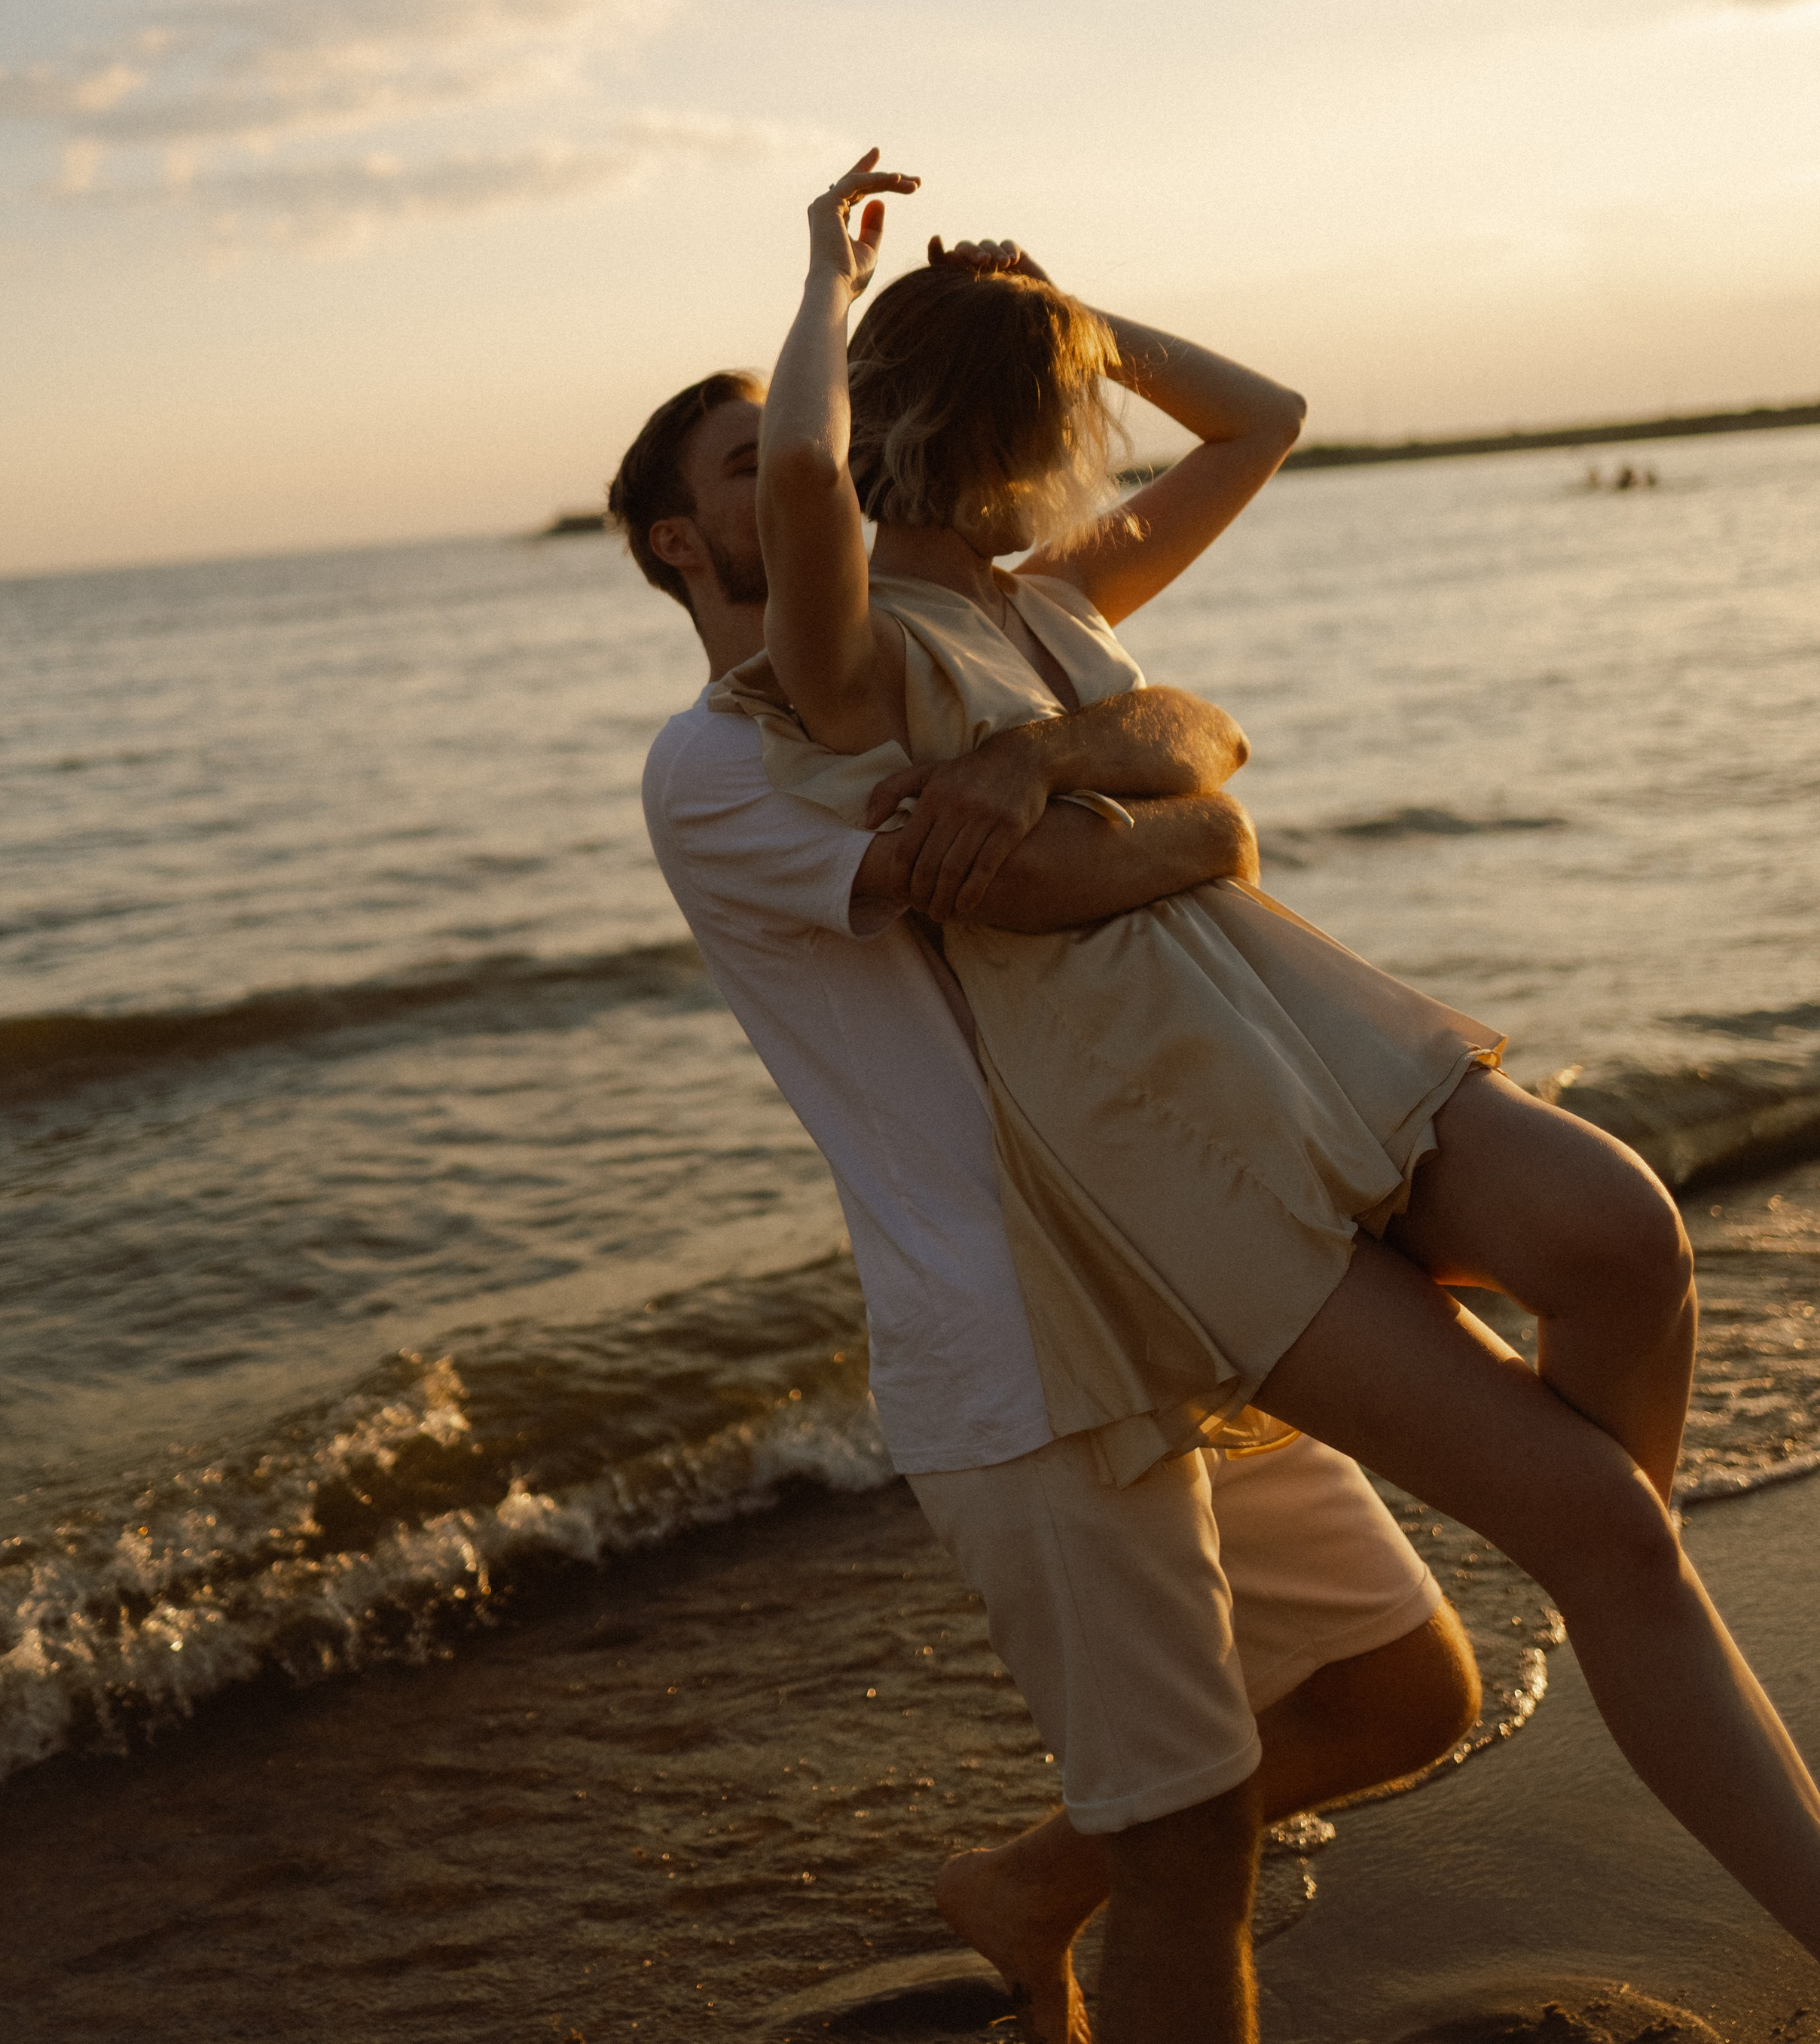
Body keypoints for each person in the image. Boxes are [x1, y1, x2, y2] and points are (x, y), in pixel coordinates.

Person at [745, 150, 1820, 2035]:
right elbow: (806, 478)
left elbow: (1263, 420)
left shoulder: (1052, 603)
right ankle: (1620, 1591)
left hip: (1293, 1021)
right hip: (1154, 1141)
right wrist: (824, 303)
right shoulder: (841, 668)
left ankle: (1598, 1576)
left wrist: (1065, 303)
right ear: (946, 418)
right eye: (1043, 407)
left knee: (1621, 1236)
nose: (1064, 440)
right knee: (1615, 1533)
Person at [616, 365, 1481, 2044]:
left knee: (1405, 1691)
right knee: (1188, 1834)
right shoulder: (713, 766)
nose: (813, 472)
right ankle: (1082, 1887)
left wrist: (1145, 775)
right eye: (748, 467)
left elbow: (1245, 459)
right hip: (1014, 1335)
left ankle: (1023, 1883)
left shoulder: (956, 659)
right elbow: (1051, 874)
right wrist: (1204, 833)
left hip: (1174, 1273)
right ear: (678, 540)